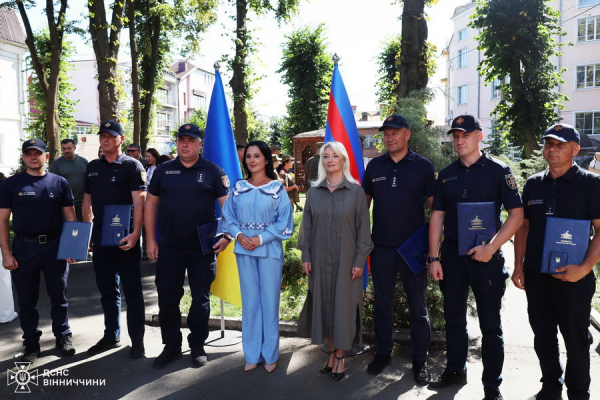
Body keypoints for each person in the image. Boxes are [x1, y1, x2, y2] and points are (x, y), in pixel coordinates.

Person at [428, 114, 524, 400]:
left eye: (465, 135)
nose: (459, 140)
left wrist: (492, 248)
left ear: (479, 136)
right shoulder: (446, 174)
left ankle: (492, 385)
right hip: (453, 258)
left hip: (487, 258)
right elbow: (437, 217)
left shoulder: (498, 170)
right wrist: (434, 258)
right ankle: (455, 370)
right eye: (456, 136)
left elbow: (516, 216)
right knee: (454, 319)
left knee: (490, 324)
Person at [513, 124, 600, 400]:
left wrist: (584, 268)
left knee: (575, 339)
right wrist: (518, 266)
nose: (551, 149)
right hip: (536, 276)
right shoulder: (533, 183)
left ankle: (578, 392)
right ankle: (551, 386)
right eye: (548, 144)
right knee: (543, 337)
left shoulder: (591, 183)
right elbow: (523, 227)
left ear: (575, 150)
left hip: (575, 278)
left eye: (559, 144)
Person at [145, 123, 232, 369]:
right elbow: (150, 205)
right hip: (169, 247)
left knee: (201, 299)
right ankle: (171, 346)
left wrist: (227, 235)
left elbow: (228, 206)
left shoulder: (213, 171)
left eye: (191, 140)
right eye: (181, 140)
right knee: (168, 299)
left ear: (199, 144)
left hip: (202, 249)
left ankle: (197, 345)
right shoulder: (163, 171)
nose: (185, 144)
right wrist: (150, 240)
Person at [362, 115, 436, 384]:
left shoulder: (423, 166)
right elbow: (362, 208)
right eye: (386, 133)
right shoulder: (374, 167)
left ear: (408, 135)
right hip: (380, 247)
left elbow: (436, 209)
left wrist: (433, 249)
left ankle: (420, 359)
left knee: (418, 307)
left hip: (413, 249)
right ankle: (383, 352)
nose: (389, 137)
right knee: (382, 304)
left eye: (395, 133)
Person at [297, 141, 373, 381]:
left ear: (343, 160)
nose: (330, 160)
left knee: (343, 309)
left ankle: (340, 356)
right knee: (324, 307)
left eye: (334, 156)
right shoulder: (314, 191)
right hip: (319, 260)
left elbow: (364, 230)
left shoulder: (356, 191)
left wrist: (360, 260)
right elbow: (306, 227)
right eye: (325, 156)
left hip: (347, 261)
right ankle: (331, 352)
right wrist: (306, 255)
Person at [0, 139, 77, 363]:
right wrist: (6, 253)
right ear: (23, 157)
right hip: (25, 248)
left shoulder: (60, 182)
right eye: (29, 154)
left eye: (38, 153)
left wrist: (72, 247)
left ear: (46, 157)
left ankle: (63, 336)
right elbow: (2, 221)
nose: (33, 157)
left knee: (59, 296)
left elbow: (70, 217)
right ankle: (31, 342)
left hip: (55, 246)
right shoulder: (10, 185)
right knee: (27, 300)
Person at [222, 141, 293, 373]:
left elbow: (285, 222)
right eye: (249, 156)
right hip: (244, 250)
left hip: (269, 251)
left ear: (265, 159)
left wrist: (260, 239)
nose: (252, 160)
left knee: (269, 303)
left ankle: (270, 355)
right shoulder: (238, 187)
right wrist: (240, 235)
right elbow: (228, 218)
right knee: (251, 303)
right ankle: (252, 354)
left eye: (257, 156)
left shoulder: (277, 188)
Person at [83, 121, 146, 359]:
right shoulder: (92, 167)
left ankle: (137, 341)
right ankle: (111, 335)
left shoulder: (132, 165)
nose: (105, 139)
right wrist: (87, 231)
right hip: (101, 235)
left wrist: (136, 233)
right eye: (102, 136)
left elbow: (140, 201)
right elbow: (87, 201)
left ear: (121, 139)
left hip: (125, 236)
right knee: (107, 289)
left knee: (132, 290)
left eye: (111, 136)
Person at [49, 139, 89, 222]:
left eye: (69, 148)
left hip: (84, 203)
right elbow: (51, 184)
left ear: (74, 148)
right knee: (70, 230)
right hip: (67, 205)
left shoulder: (84, 162)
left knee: (84, 230)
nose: (66, 151)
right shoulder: (56, 164)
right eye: (64, 149)